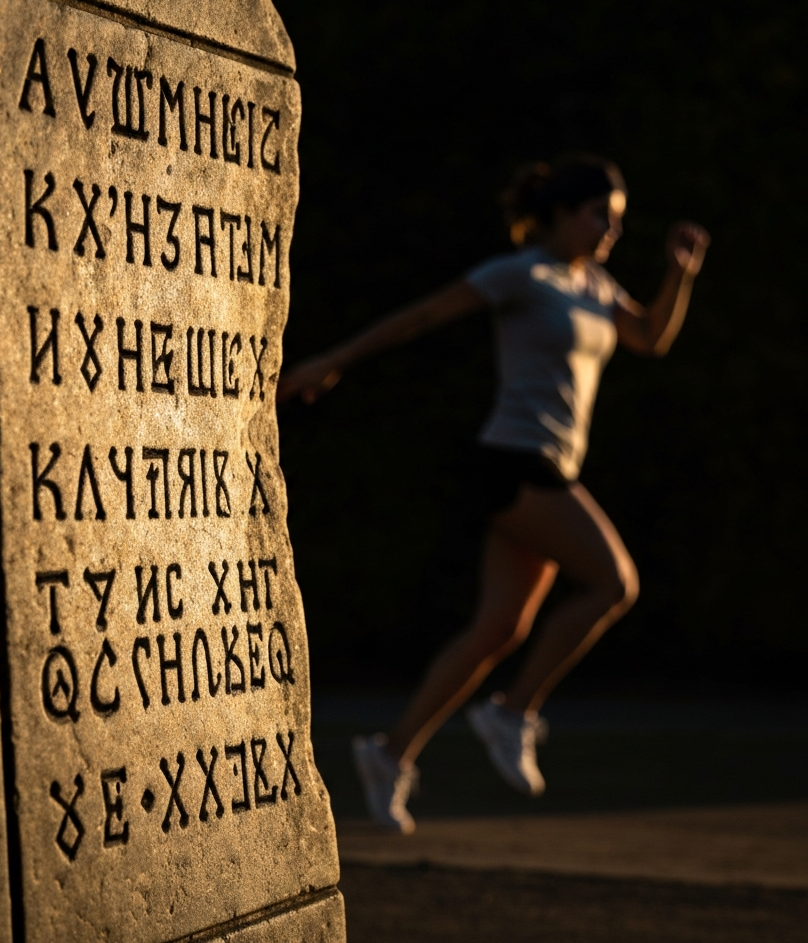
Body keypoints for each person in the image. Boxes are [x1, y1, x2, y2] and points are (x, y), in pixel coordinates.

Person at [277, 156, 710, 833]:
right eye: (600, 215)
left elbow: (649, 337)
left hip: (545, 468)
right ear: (561, 214)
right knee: (614, 583)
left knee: (499, 630)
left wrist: (678, 278)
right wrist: (334, 360)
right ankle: (512, 712)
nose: (610, 231)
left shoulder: (594, 285)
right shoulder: (520, 274)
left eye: (618, 221)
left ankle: (390, 757)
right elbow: (424, 316)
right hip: (515, 463)